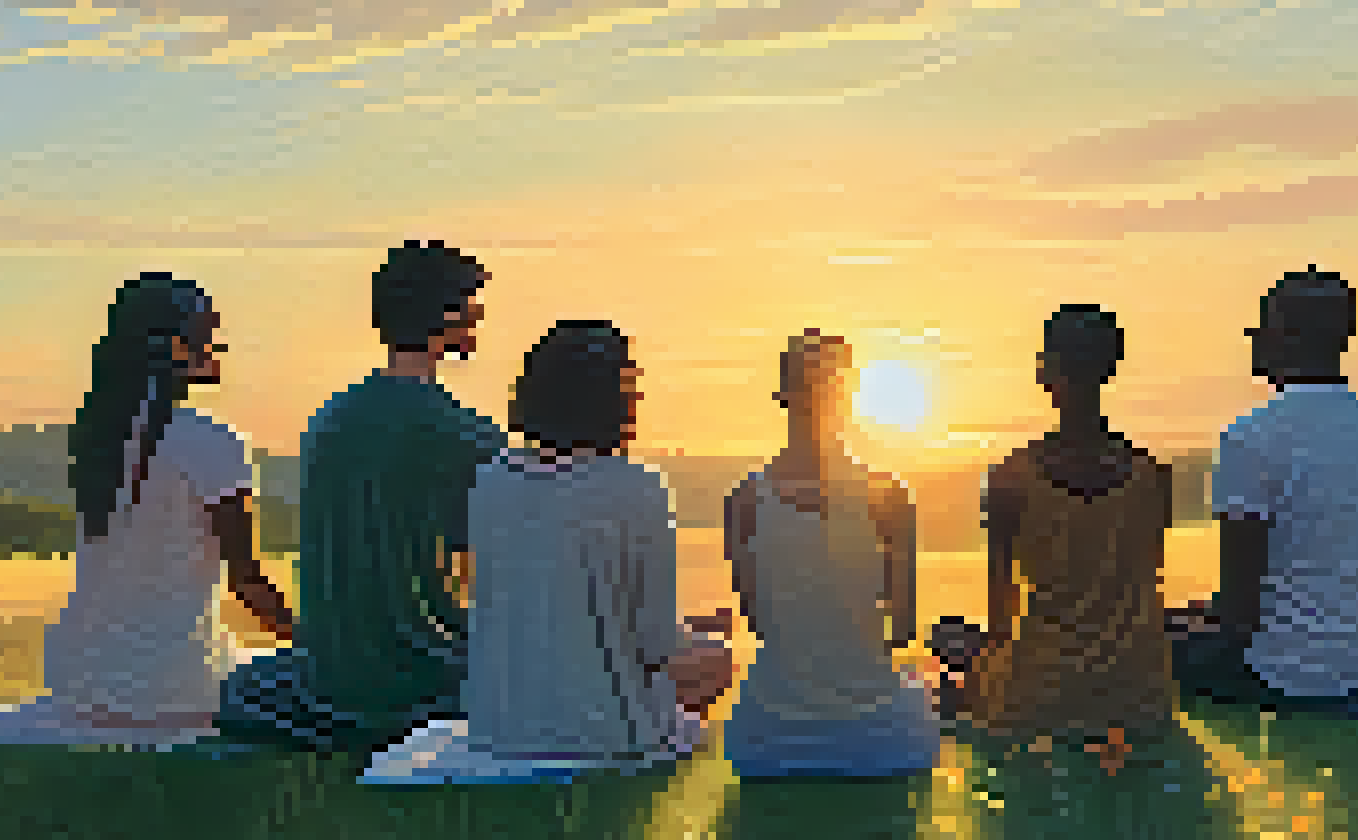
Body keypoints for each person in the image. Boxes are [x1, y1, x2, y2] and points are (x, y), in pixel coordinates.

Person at [0, 273, 293, 748]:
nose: (220, 348)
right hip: (169, 688)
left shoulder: (100, 442)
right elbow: (248, 583)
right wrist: (315, 648)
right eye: (209, 334)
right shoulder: (214, 442)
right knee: (291, 681)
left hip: (76, 680)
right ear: (177, 347)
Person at [362, 322, 732, 784]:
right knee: (718, 660)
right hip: (606, 735)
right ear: (616, 397)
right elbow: (655, 644)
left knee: (693, 645)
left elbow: (546, 603)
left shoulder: (492, 480)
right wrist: (704, 639)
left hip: (498, 729)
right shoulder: (639, 486)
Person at [214, 240, 510, 752]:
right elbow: (493, 576)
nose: (478, 320)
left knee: (250, 685)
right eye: (473, 308)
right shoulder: (469, 436)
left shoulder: (329, 419)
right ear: (449, 316)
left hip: (328, 680)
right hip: (422, 677)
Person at [1171, 266, 1358, 716]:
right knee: (1171, 622)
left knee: (1119, 649)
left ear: (1285, 335)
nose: (1252, 337)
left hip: (1289, 674)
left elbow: (1239, 614)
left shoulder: (1250, 435)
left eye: (1262, 325)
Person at [720, 330, 940, 779]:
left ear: (782, 395)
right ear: (849, 396)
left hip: (766, 742)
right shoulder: (889, 496)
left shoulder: (746, 499)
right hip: (881, 743)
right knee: (923, 684)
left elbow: (758, 621)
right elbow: (903, 628)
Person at [959, 305, 1177, 743]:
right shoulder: (1151, 476)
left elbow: (1002, 618)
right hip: (1138, 695)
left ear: (1044, 374)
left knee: (951, 637)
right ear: (1111, 369)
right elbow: (1147, 584)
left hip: (1042, 697)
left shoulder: (1009, 479)